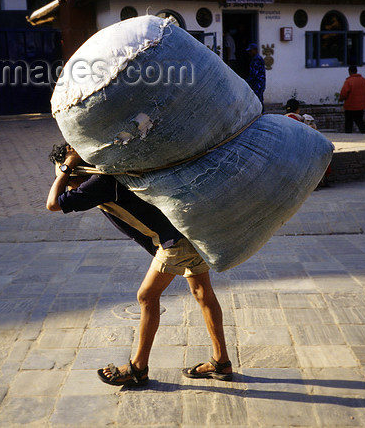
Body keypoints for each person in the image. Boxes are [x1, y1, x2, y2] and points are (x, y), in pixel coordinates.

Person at [46, 144, 232, 386]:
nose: (68, 186)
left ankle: (138, 368)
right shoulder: (106, 177)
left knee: (146, 296)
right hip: (184, 230)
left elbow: (53, 204)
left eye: (68, 179)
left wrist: (65, 168)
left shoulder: (100, 183)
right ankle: (222, 363)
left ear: (77, 169)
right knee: (201, 292)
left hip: (175, 241)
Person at [338, 65, 365, 133]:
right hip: (361, 106)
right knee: (359, 121)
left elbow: (344, 93)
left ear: (349, 71)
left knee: (349, 122)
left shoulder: (349, 81)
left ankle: (348, 135)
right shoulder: (364, 80)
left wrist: (341, 99)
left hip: (350, 106)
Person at [245, 43, 266, 112]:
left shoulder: (257, 59)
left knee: (258, 99)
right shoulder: (255, 58)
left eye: (251, 51)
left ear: (255, 50)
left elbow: (254, 74)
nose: (249, 53)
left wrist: (247, 81)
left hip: (258, 83)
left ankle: (260, 113)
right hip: (258, 83)